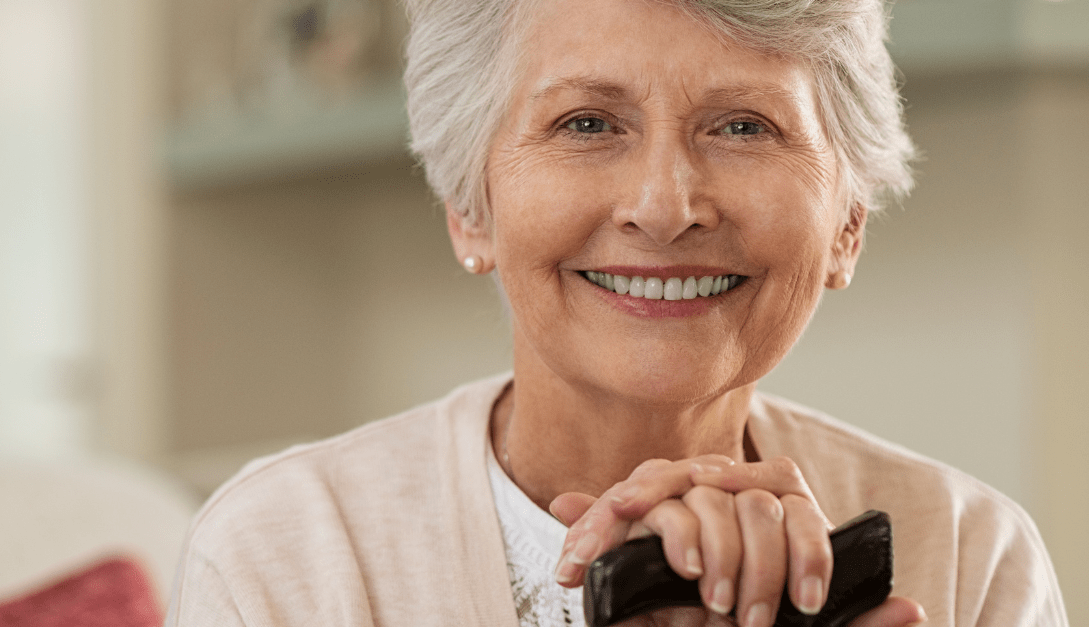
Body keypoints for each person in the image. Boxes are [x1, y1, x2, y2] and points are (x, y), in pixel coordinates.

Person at [165, 0, 1069, 625]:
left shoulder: (967, 554)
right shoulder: (288, 556)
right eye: (588, 124)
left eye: (745, 125)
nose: (666, 204)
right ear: (469, 207)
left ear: (847, 224)